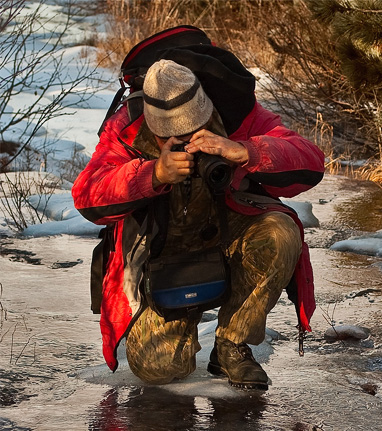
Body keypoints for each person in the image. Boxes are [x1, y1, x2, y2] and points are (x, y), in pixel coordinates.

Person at [73, 34, 325, 390]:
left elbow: (310, 159)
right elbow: (86, 195)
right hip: (164, 254)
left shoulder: (237, 112)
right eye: (176, 138)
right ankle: (178, 327)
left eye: (198, 131)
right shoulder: (126, 126)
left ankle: (231, 345)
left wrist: (245, 151)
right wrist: (153, 174)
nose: (191, 142)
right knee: (162, 369)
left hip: (228, 233)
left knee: (280, 232)